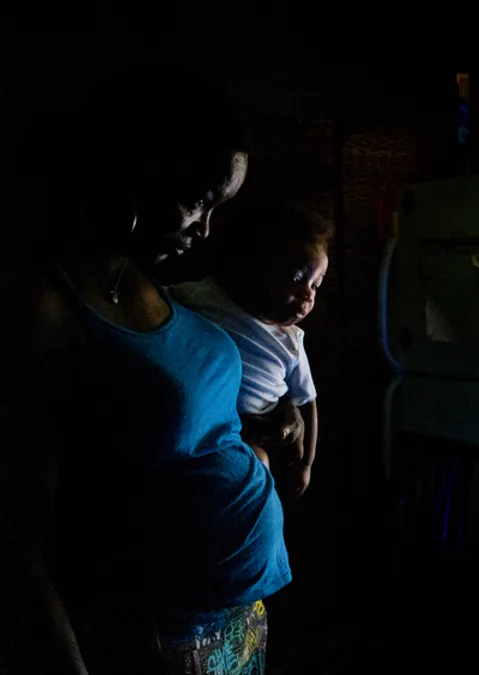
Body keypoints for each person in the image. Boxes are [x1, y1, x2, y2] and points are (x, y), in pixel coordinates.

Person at [0, 65, 290, 674]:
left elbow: (175, 427)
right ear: (140, 172)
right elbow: (24, 546)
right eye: (199, 201)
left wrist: (259, 443)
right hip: (161, 632)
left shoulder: (142, 275)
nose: (206, 230)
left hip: (238, 613)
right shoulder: (45, 303)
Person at [171, 199, 331, 498]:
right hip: (197, 426)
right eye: (296, 278)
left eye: (316, 284)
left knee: (258, 461)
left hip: (254, 438)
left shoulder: (291, 342)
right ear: (253, 265)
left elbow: (307, 403)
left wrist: (306, 463)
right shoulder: (204, 297)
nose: (308, 294)